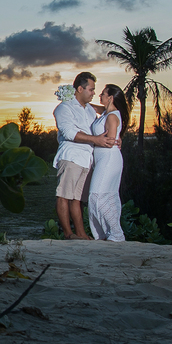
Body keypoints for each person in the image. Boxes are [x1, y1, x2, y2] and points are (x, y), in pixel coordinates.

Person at [52, 72, 119, 239]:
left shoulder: (90, 110)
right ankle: (68, 233)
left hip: (86, 158)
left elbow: (111, 113)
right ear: (80, 89)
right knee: (64, 196)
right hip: (71, 156)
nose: (94, 93)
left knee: (77, 199)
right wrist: (95, 139)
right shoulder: (64, 108)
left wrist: (117, 137)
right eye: (91, 89)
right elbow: (68, 132)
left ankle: (81, 233)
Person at [87, 84, 130, 241]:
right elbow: (94, 108)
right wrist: (77, 99)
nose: (100, 95)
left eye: (103, 94)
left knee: (96, 195)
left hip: (109, 159)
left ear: (110, 98)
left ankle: (116, 233)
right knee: (109, 196)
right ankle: (108, 234)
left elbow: (110, 141)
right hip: (103, 159)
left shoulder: (112, 116)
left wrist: (92, 141)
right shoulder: (106, 112)